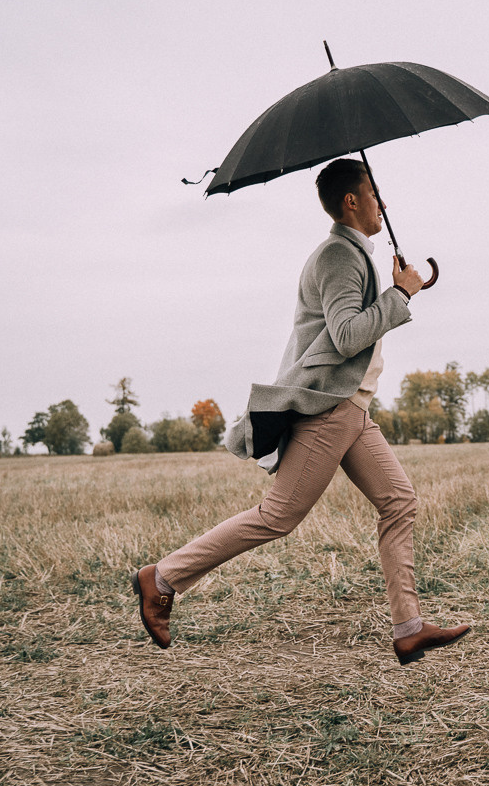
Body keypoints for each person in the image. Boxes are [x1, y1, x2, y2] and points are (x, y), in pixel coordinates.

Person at [131, 158, 470, 665]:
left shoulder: (354, 255)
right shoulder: (338, 256)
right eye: (375, 193)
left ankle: (408, 628)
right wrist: (400, 294)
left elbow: (350, 328)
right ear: (351, 201)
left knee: (398, 501)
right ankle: (161, 578)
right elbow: (346, 334)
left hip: (353, 409)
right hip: (332, 408)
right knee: (277, 517)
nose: (384, 203)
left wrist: (396, 288)